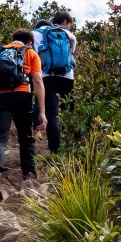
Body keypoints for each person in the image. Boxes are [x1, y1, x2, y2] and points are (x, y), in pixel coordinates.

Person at [0, 28, 46, 202]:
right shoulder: (30, 52)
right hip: (21, 95)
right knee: (25, 137)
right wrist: (42, 111)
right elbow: (38, 80)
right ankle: (29, 176)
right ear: (30, 42)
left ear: (13, 39)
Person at [33, 10, 77, 153]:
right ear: (65, 22)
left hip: (46, 76)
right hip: (67, 76)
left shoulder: (36, 33)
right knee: (69, 109)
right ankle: (71, 142)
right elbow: (72, 52)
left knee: (52, 113)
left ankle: (55, 149)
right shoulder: (68, 34)